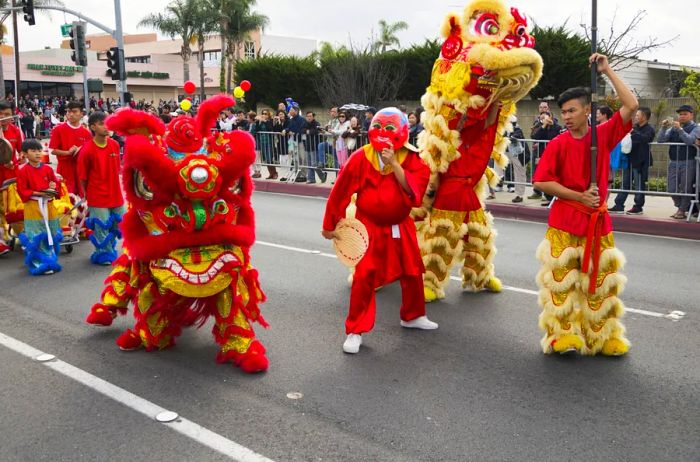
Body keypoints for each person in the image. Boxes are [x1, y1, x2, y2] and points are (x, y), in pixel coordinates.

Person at [532, 53, 638, 356]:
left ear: (587, 110)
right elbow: (541, 181)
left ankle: (601, 336)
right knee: (560, 287)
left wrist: (607, 71)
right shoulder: (557, 144)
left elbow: (631, 106)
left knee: (601, 285)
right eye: (563, 111)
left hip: (598, 224)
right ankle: (561, 336)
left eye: (571, 110)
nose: (566, 116)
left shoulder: (602, 135)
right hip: (564, 224)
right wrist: (578, 195)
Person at [321, 108, 437, 354]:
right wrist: (330, 224)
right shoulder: (361, 157)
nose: (383, 134)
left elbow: (414, 194)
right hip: (368, 226)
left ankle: (413, 315)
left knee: (413, 270)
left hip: (400, 224)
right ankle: (355, 329)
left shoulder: (413, 159)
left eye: (389, 128)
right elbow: (340, 191)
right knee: (364, 276)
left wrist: (394, 164)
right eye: (380, 127)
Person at [77, 111, 125, 265]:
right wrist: (86, 195)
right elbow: (83, 177)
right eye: (102, 123)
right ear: (93, 127)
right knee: (101, 226)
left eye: (108, 123)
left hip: (115, 193)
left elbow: (118, 169)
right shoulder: (87, 150)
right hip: (97, 195)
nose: (106, 127)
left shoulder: (115, 145)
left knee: (119, 224)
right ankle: (102, 254)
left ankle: (110, 250)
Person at [16, 139, 63, 275]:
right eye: (33, 151)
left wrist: (53, 187)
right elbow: (22, 190)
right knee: (37, 234)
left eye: (39, 150)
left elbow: (55, 183)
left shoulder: (48, 168)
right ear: (24, 154)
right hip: (33, 205)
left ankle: (50, 259)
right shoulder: (23, 171)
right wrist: (40, 192)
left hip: (48, 204)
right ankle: (40, 262)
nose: (37, 153)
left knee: (53, 231)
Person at [609, 107, 656, 214]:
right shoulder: (634, 127)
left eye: (638, 115)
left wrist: (633, 133)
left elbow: (646, 139)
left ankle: (638, 207)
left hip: (640, 161)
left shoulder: (649, 129)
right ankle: (619, 204)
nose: (635, 117)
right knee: (625, 183)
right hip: (629, 159)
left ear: (644, 117)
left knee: (639, 185)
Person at [657, 104, 700, 219]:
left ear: (691, 115)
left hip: (688, 161)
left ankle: (681, 210)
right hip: (673, 162)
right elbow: (660, 140)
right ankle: (682, 207)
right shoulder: (673, 128)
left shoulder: (696, 127)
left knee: (686, 188)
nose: (682, 116)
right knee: (671, 188)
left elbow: (690, 140)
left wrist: (680, 130)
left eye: (685, 114)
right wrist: (663, 127)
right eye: (680, 114)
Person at [49, 101, 91, 195]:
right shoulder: (58, 129)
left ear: (81, 114)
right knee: (66, 199)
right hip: (65, 169)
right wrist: (68, 153)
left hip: (81, 171)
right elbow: (53, 151)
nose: (71, 114)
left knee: (82, 201)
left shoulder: (86, 133)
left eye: (74, 111)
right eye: (68, 111)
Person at [531, 110, 562, 205]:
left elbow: (554, 137)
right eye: (542, 118)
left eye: (546, 117)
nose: (545, 120)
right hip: (542, 154)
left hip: (553, 154)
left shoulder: (556, 127)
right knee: (543, 176)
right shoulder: (540, 127)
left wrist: (551, 126)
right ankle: (548, 197)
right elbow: (535, 136)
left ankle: (552, 198)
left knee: (552, 176)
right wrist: (543, 126)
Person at [505, 116, 527, 203]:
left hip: (520, 156)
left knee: (520, 174)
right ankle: (500, 180)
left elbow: (515, 136)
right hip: (512, 154)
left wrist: (510, 137)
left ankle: (519, 195)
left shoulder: (517, 130)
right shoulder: (506, 130)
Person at [255, 109, 276, 179]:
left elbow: (270, 128)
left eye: (265, 114)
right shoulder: (260, 121)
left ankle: (275, 173)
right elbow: (257, 130)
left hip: (269, 142)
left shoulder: (270, 121)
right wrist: (259, 122)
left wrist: (265, 121)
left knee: (269, 158)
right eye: (263, 113)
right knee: (266, 159)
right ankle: (271, 174)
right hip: (262, 142)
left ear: (268, 115)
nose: (264, 115)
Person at [303, 111, 322, 184]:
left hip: (314, 146)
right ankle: (311, 179)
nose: (309, 117)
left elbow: (316, 131)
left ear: (313, 117)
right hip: (307, 146)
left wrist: (309, 131)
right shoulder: (305, 123)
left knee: (314, 164)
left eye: (310, 116)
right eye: (307, 116)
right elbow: (302, 130)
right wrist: (308, 131)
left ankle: (322, 175)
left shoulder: (316, 123)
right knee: (309, 164)